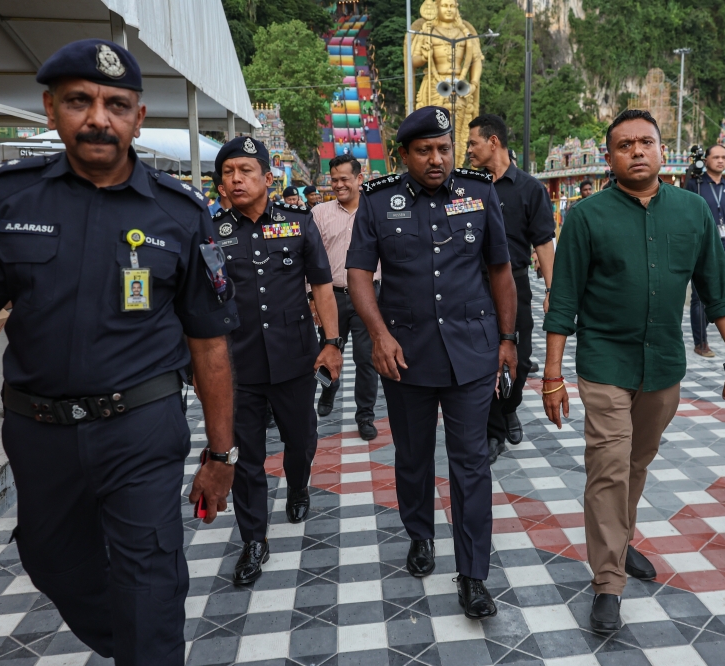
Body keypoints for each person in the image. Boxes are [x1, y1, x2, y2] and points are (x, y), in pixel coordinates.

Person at [0, 39, 239, 664]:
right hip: (38, 431)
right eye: (80, 101)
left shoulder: (180, 213)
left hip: (139, 428)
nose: (98, 118)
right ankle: (138, 643)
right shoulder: (5, 201)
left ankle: (148, 644)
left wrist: (222, 454)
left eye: (116, 104)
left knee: (149, 583)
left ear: (138, 117)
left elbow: (210, 344)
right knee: (51, 561)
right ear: (51, 108)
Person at [543, 109, 725, 633]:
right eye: (624, 145)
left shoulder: (692, 212)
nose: (637, 151)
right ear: (609, 157)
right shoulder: (587, 217)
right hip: (604, 363)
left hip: (663, 366)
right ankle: (608, 581)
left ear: (664, 152)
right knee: (609, 467)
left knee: (636, 464)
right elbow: (562, 299)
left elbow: (717, 291)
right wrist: (552, 374)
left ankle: (620, 539)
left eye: (646, 142)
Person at [346, 106, 517, 619]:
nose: (438, 158)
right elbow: (358, 275)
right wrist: (378, 336)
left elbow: (502, 271)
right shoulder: (378, 202)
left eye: (444, 147)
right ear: (404, 154)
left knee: (470, 464)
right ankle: (420, 533)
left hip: (472, 353)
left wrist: (508, 340)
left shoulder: (480, 193)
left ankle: (473, 574)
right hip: (405, 356)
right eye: (425, 150)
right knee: (414, 456)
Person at [212, 137, 343, 585]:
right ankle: (254, 540)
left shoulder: (298, 224)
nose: (236, 179)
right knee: (246, 457)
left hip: (294, 358)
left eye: (245, 170)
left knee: (301, 438)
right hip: (237, 365)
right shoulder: (212, 233)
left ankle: (300, 483)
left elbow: (322, 287)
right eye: (228, 172)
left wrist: (332, 342)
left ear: (268, 178)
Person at [466, 113, 556, 464]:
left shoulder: (529, 188)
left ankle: (508, 407)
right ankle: (493, 432)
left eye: (473, 143)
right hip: (474, 283)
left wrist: (554, 291)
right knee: (481, 359)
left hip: (515, 282)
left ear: (493, 142)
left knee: (520, 359)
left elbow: (544, 244)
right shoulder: (466, 187)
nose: (469, 150)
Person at [311, 155, 381, 440]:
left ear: (359, 179)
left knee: (367, 359)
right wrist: (311, 297)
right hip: (332, 296)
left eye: (345, 179)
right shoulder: (319, 213)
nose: (338, 185)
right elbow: (311, 259)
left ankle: (365, 414)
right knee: (328, 351)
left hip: (369, 297)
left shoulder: (375, 211)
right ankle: (329, 390)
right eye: (334, 180)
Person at [684, 144, 725, 357]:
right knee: (699, 296)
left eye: (724, 157)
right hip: (701, 247)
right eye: (716, 157)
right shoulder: (695, 184)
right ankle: (701, 342)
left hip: (724, 247)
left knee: (723, 292)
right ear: (706, 160)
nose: (721, 161)